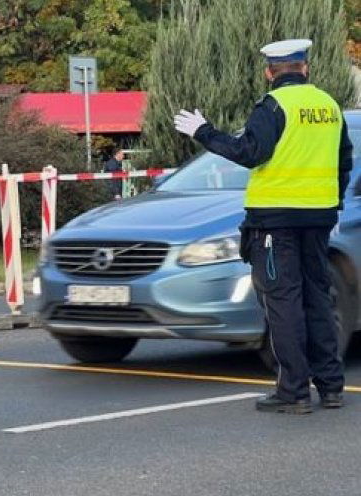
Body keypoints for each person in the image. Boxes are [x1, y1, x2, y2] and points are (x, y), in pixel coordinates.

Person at [173, 39, 353, 414]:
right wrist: (333, 208)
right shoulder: (328, 106)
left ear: (270, 72)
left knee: (283, 302)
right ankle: (332, 386)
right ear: (305, 68)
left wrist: (204, 131)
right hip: (318, 217)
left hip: (276, 221)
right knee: (318, 298)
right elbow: (343, 162)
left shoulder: (272, 106)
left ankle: (294, 392)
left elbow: (250, 153)